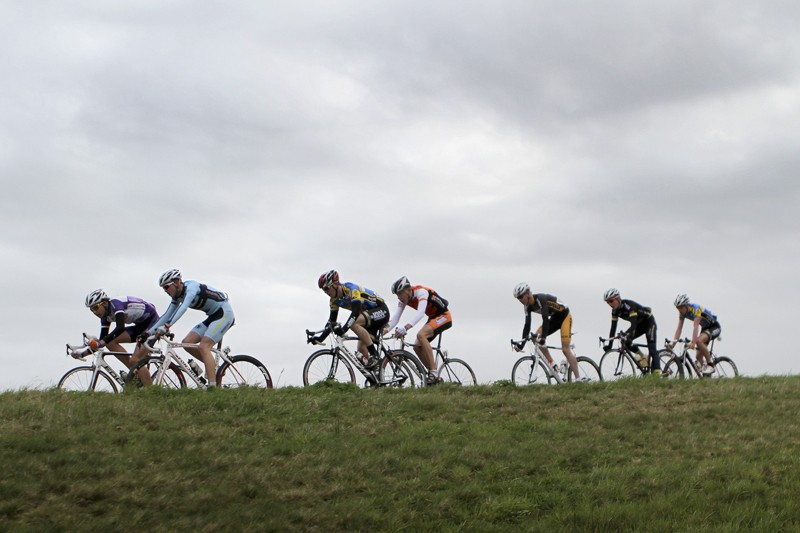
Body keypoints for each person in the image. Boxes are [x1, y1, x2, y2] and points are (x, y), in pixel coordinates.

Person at [142, 269, 234, 389]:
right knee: (186, 343)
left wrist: (167, 326)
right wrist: (148, 332)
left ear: (176, 282)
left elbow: (183, 308)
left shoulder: (192, 288)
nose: (165, 291)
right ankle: (212, 368)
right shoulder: (177, 297)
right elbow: (166, 315)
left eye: (166, 287)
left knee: (204, 346)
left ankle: (213, 389)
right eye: (163, 289)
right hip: (212, 316)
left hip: (224, 314)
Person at [74, 289, 160, 385]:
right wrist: (81, 354)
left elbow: (120, 328)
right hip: (140, 326)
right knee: (110, 342)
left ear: (104, 303)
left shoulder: (116, 305)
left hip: (154, 323)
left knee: (135, 360)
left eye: (95, 307)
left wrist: (101, 342)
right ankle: (134, 373)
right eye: (91, 309)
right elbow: (102, 342)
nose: (94, 312)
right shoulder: (105, 317)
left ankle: (151, 391)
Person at [310, 270, 389, 369]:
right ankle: (376, 376)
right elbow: (331, 322)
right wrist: (319, 338)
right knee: (361, 349)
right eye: (323, 290)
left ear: (335, 284)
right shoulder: (334, 301)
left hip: (381, 311)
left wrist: (344, 329)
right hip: (368, 318)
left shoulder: (351, 289)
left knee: (353, 323)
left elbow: (356, 312)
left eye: (326, 288)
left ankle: (375, 355)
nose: (326, 292)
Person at [384, 276, 452, 385]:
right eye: (397, 295)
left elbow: (420, 313)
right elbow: (395, 319)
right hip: (433, 317)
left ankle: (433, 373)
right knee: (416, 346)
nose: (398, 297)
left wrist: (405, 327)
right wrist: (381, 333)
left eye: (400, 294)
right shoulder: (404, 299)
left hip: (444, 316)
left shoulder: (421, 292)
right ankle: (432, 374)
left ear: (408, 290)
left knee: (421, 335)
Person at [512, 283, 584, 381]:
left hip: (564, 317)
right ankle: (552, 364)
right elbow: (527, 326)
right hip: (554, 318)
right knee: (534, 337)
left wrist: (543, 338)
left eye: (521, 297)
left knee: (565, 349)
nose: (520, 300)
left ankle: (579, 379)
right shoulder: (527, 307)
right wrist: (521, 345)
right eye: (518, 298)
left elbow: (545, 320)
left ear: (528, 294)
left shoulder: (540, 299)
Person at [602, 288, 661, 375]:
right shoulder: (614, 312)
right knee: (625, 341)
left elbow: (633, 324)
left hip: (649, 323)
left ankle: (657, 374)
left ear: (618, 298)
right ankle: (642, 357)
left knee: (652, 348)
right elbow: (613, 328)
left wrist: (627, 334)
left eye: (611, 300)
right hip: (639, 325)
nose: (609, 304)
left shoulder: (629, 306)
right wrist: (610, 345)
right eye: (607, 302)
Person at [669, 294, 721, 376]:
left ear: (686, 305)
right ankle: (706, 376)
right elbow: (679, 328)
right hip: (705, 328)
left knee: (698, 341)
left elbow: (696, 326)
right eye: (677, 308)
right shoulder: (682, 313)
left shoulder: (696, 309)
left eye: (681, 308)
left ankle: (711, 365)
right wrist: (673, 343)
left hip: (714, 327)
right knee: (698, 356)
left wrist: (693, 342)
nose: (679, 310)